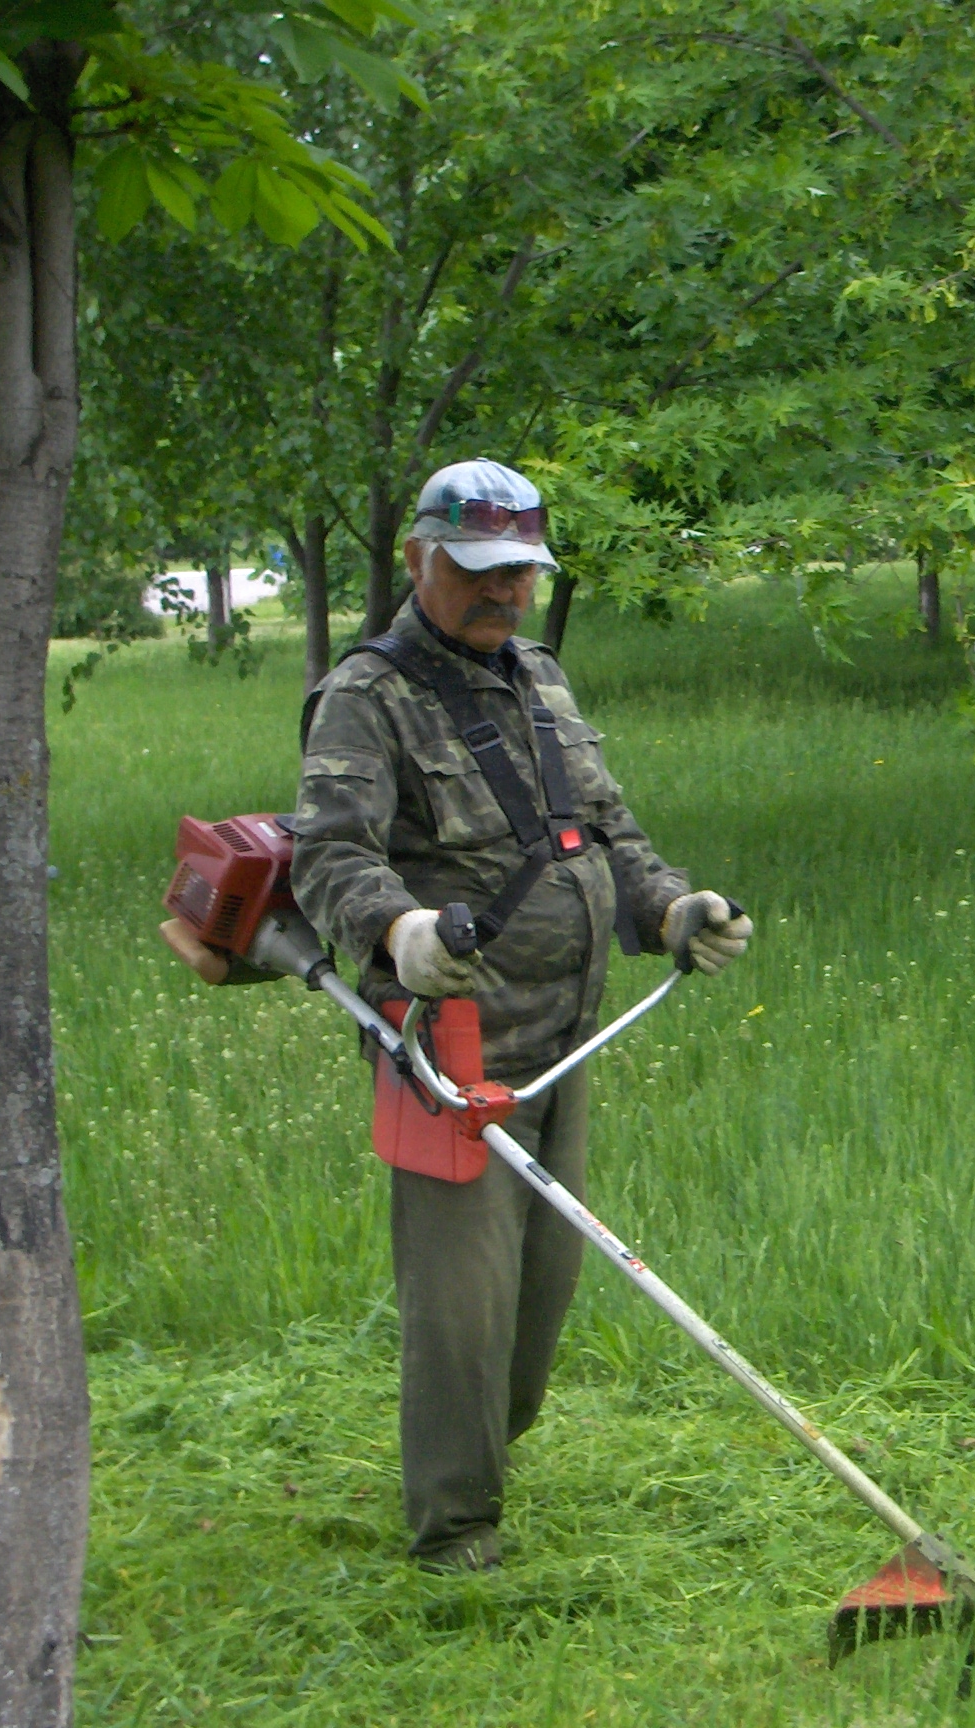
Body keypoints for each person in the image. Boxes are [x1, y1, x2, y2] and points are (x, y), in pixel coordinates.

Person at [288, 458, 751, 1571]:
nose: (504, 595)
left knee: (539, 1293)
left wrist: (671, 907)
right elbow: (329, 856)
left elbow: (604, 831)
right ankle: (456, 1533)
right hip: (448, 1054)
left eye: (521, 575)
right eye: (481, 572)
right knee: (465, 1306)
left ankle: (484, 1455)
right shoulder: (367, 695)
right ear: (419, 559)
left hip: (565, 1039)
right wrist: (399, 933)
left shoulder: (539, 677)